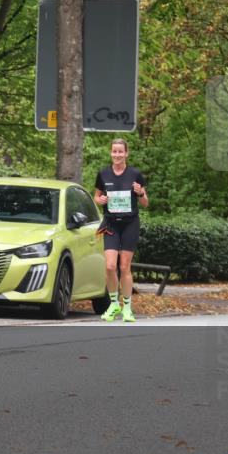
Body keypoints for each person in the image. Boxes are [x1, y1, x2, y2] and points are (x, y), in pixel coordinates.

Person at [94, 138, 148, 323]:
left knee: (124, 267)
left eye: (120, 152)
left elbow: (145, 203)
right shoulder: (103, 174)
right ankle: (114, 303)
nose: (117, 155)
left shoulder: (135, 174)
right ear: (110, 153)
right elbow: (97, 196)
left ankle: (127, 307)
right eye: (114, 151)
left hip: (130, 224)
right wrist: (99, 200)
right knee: (110, 266)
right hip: (110, 224)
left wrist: (140, 193)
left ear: (126, 154)